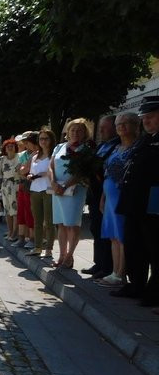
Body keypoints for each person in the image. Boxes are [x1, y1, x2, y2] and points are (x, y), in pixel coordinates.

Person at [112, 96, 159, 306]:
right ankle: (136, 284)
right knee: (134, 246)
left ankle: (154, 293)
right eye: (144, 118)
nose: (146, 121)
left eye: (150, 117)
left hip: (152, 204)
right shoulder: (145, 140)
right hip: (135, 203)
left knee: (154, 248)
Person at [97, 113, 139, 286]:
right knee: (113, 235)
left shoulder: (136, 149)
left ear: (136, 125)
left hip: (124, 197)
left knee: (122, 236)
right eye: (118, 124)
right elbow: (107, 174)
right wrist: (103, 197)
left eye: (125, 123)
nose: (120, 127)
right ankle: (115, 271)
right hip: (110, 197)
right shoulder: (116, 148)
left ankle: (121, 273)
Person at [49, 118, 93, 268]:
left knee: (72, 224)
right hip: (57, 190)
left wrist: (65, 185)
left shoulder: (85, 150)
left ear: (84, 133)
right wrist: (54, 182)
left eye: (79, 130)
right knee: (61, 224)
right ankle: (61, 255)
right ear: (67, 132)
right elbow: (51, 166)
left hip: (75, 190)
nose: (75, 133)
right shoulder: (59, 147)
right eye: (72, 130)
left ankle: (69, 256)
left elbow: (82, 172)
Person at [82, 115, 118, 278]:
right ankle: (99, 263)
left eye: (105, 127)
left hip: (106, 194)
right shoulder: (101, 146)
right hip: (95, 193)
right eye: (101, 127)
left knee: (106, 231)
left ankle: (108, 267)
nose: (101, 130)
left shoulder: (116, 146)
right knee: (95, 228)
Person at [27, 129, 56, 259]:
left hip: (48, 189)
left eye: (46, 139)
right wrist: (30, 175)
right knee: (37, 221)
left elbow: (54, 172)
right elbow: (31, 171)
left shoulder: (53, 155)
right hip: (35, 189)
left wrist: (44, 174)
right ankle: (37, 247)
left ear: (51, 140)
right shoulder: (35, 157)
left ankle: (49, 249)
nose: (43, 141)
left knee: (49, 221)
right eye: (41, 139)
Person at [13, 132, 37, 248]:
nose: (25, 144)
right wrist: (23, 171)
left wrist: (23, 171)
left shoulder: (37, 154)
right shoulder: (22, 155)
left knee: (30, 212)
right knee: (21, 212)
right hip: (23, 185)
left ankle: (32, 238)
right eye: (24, 142)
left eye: (28, 142)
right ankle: (21, 237)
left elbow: (23, 170)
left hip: (32, 186)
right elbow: (19, 171)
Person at [0, 139, 20, 238]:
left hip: (15, 185)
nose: (10, 148)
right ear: (5, 149)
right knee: (7, 211)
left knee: (15, 211)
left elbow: (18, 172)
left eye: (12, 146)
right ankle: (10, 231)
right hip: (5, 186)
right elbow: (0, 173)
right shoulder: (2, 159)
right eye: (8, 146)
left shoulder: (19, 158)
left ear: (15, 148)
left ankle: (15, 233)